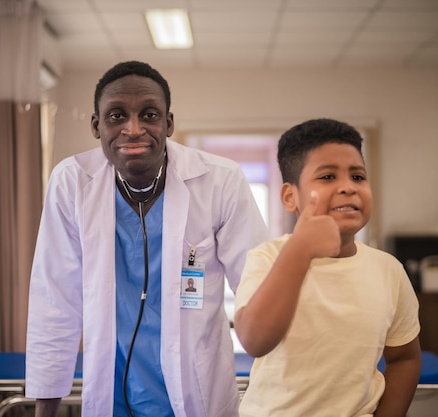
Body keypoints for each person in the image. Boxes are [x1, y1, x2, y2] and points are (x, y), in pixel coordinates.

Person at [25, 60, 269, 417]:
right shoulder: (72, 183)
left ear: (168, 123)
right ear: (97, 126)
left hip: (197, 392)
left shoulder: (219, 181)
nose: (134, 129)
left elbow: (260, 287)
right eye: (117, 116)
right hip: (112, 393)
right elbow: (54, 301)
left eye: (150, 114)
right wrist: (45, 410)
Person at [234, 118, 421, 417]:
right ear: (290, 196)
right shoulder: (267, 257)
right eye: (328, 177)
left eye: (358, 177)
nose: (348, 187)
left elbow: (405, 358)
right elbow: (255, 340)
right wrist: (302, 248)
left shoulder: (389, 270)